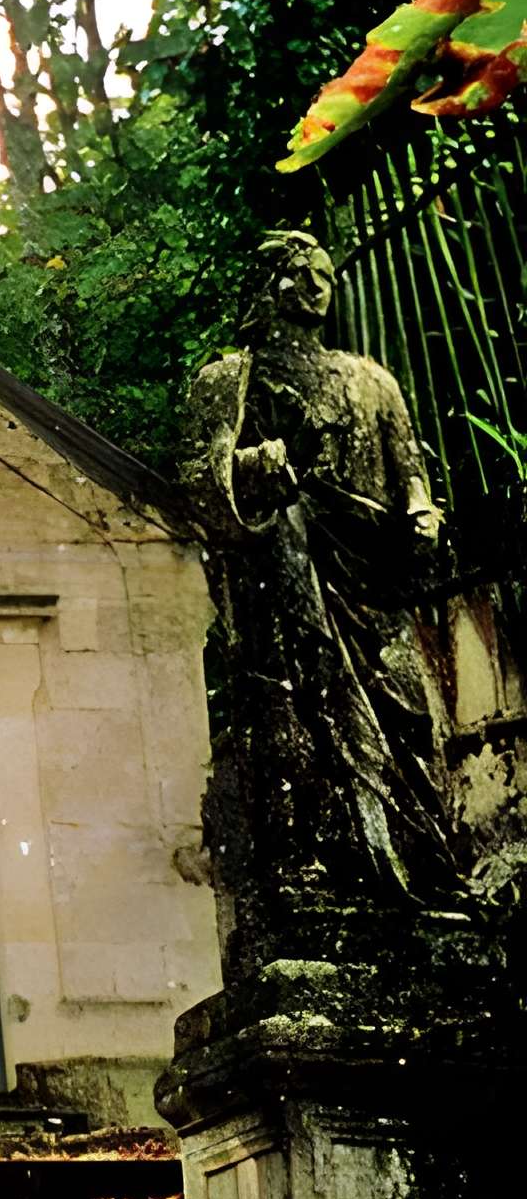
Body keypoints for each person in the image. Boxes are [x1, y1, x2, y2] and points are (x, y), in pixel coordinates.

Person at [180, 230, 455, 912]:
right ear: (269, 285)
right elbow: (199, 486)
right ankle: (310, 871)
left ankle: (424, 862)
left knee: (405, 712)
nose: (316, 286)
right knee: (293, 710)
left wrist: (423, 513)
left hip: (370, 576)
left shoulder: (373, 381)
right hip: (286, 578)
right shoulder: (227, 381)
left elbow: (410, 473)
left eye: (325, 273)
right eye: (301, 273)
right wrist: (264, 464)